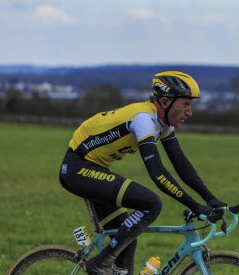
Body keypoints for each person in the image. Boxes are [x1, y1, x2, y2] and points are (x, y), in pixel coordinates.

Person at [59, 71, 226, 275]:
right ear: (165, 102)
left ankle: (110, 266)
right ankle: (98, 263)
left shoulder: (161, 123)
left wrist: (210, 198)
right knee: (151, 204)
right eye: (186, 104)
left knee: (127, 239)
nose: (190, 112)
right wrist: (194, 205)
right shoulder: (143, 119)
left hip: (94, 169)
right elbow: (157, 172)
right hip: (78, 169)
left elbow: (181, 164)